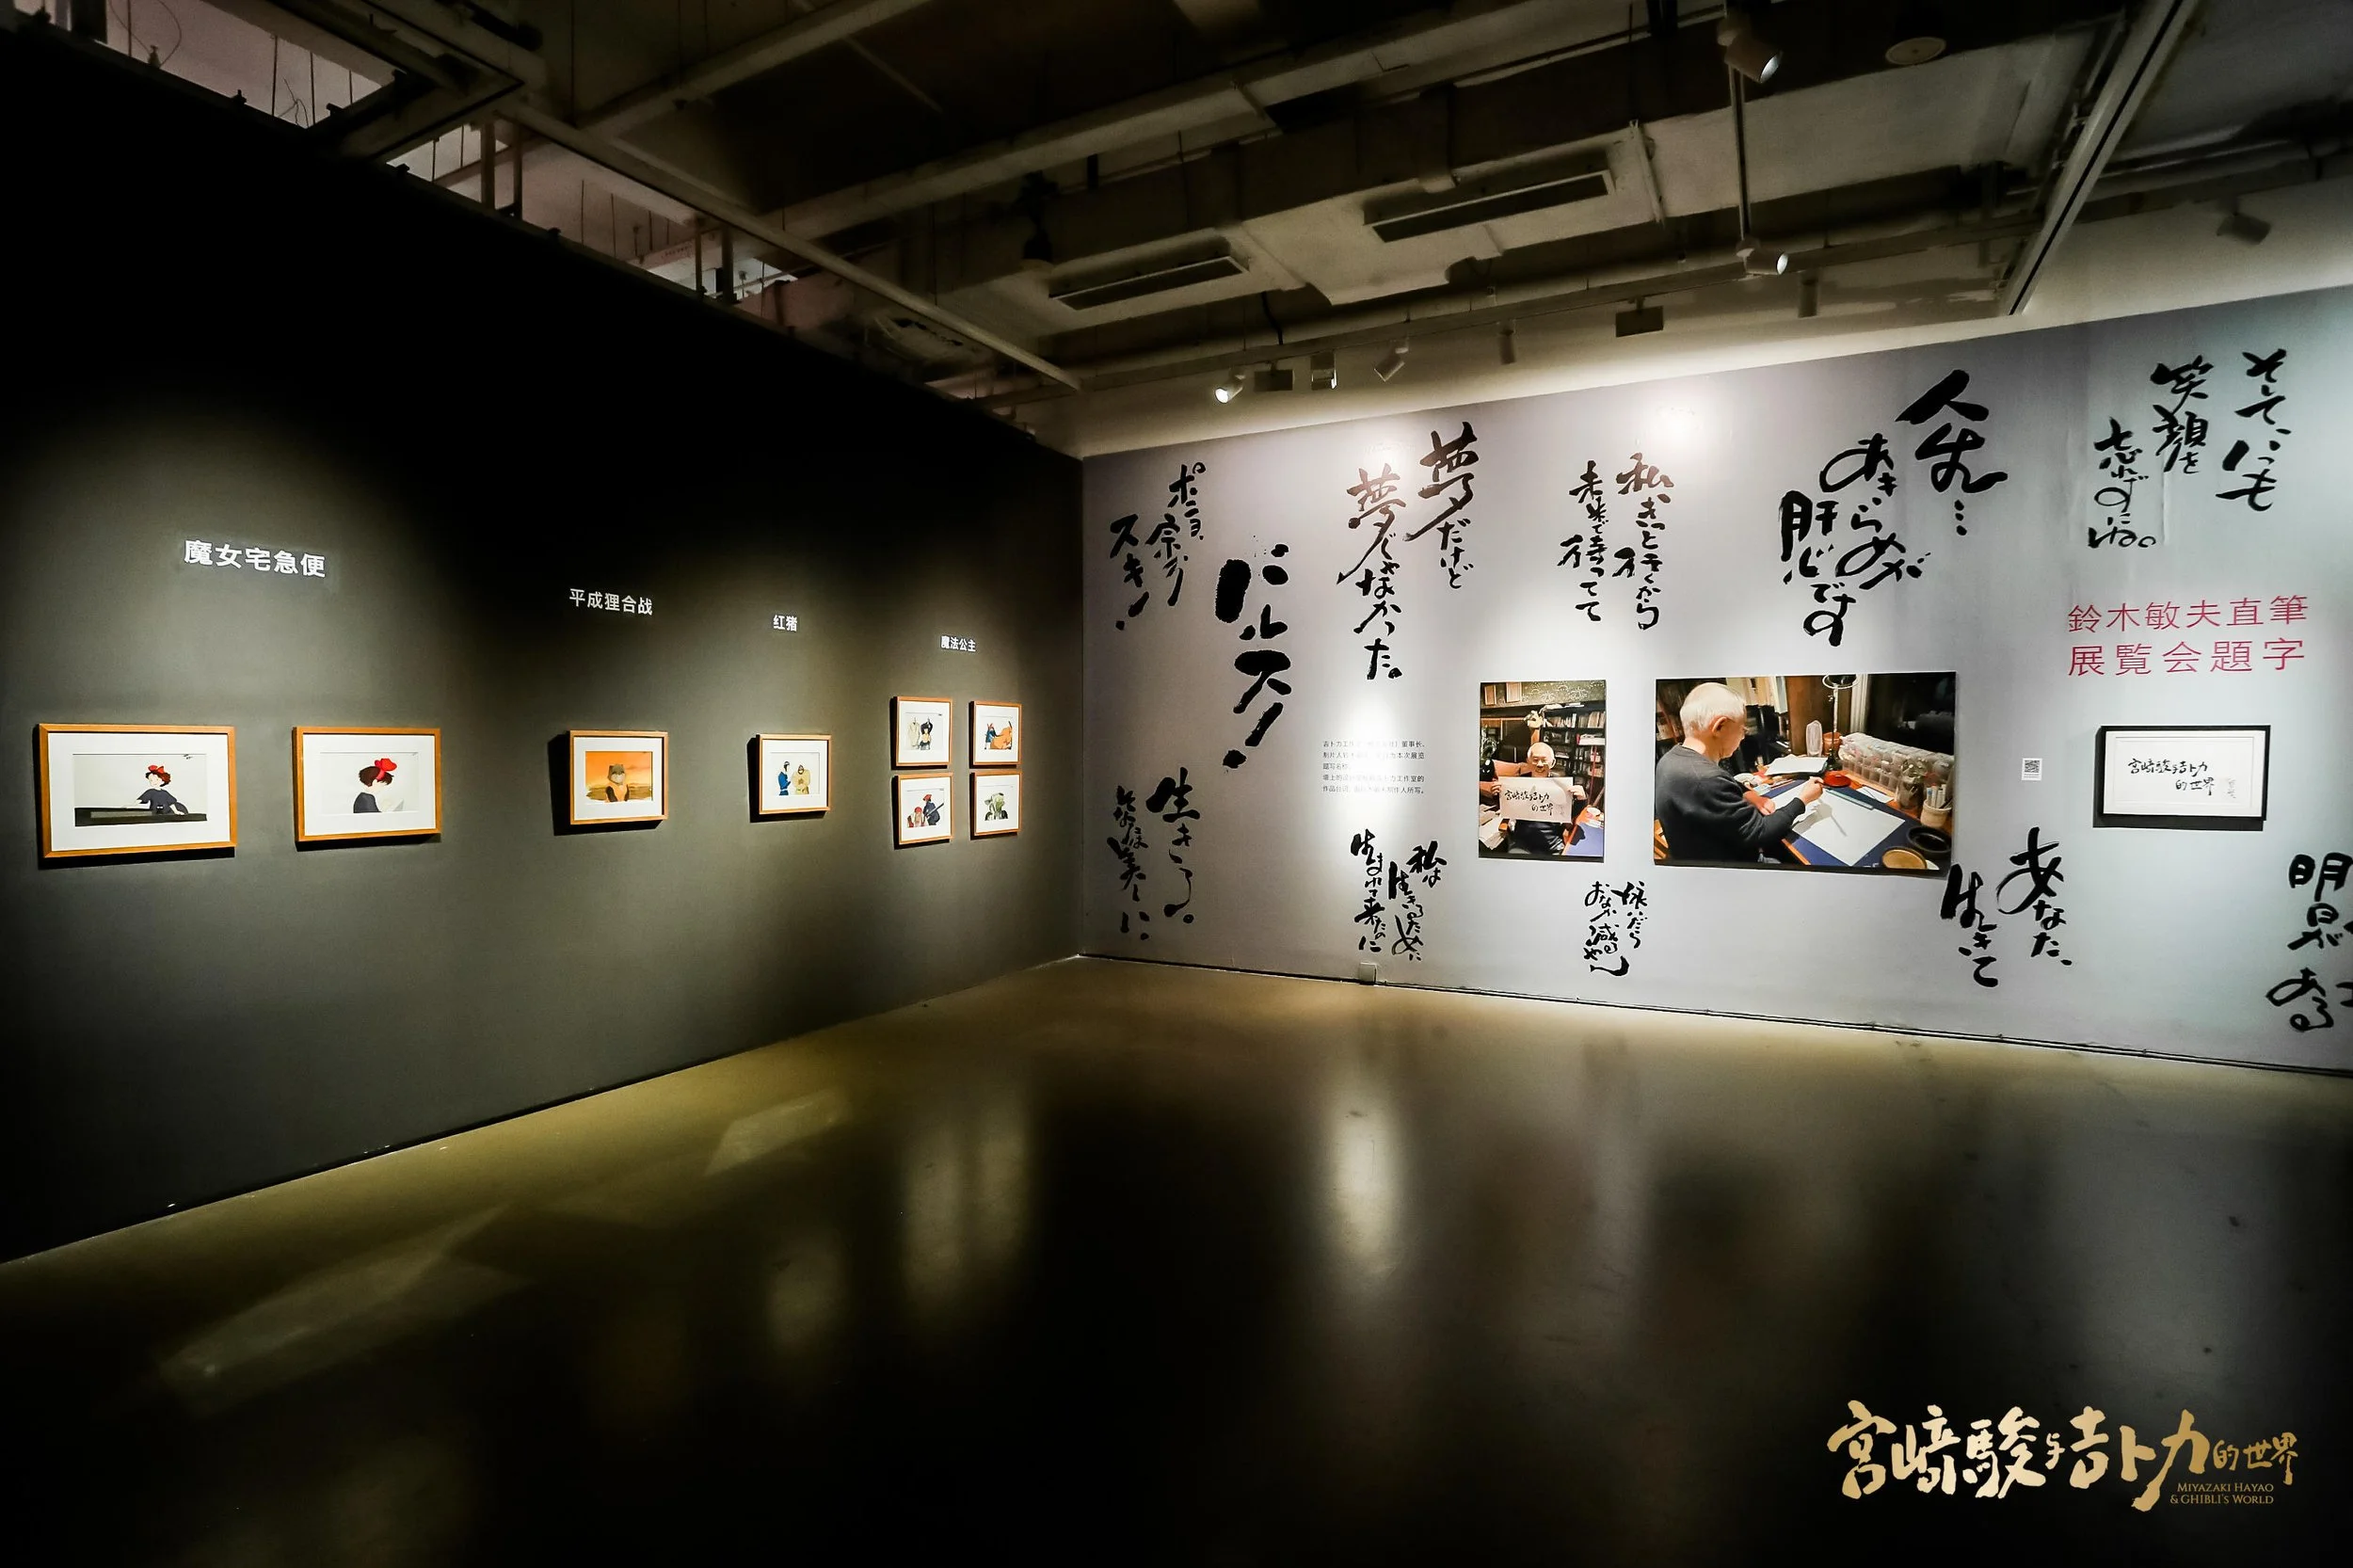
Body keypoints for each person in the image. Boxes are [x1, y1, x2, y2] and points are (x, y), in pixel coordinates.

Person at [1656, 682, 1820, 862]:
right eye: (1742, 729)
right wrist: (1803, 799)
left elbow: (1722, 783)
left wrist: (1749, 793)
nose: (1743, 737)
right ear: (1719, 726)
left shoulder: (1671, 760)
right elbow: (1761, 832)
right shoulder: (1706, 780)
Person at [1493, 741, 1586, 857]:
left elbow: (1569, 815)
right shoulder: (1517, 783)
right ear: (1528, 762)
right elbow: (1506, 807)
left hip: (1552, 843)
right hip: (1521, 843)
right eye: (1535, 760)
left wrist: (1581, 800)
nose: (1540, 764)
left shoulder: (1561, 786)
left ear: (1552, 763)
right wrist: (1497, 794)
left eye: (1544, 760)